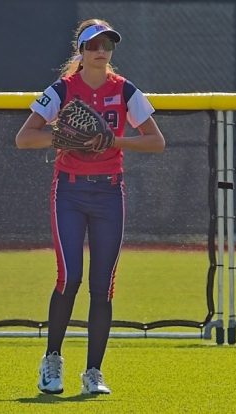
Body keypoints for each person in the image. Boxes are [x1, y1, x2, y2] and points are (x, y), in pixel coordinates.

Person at [15, 18, 165, 395]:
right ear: (80, 52)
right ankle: (52, 361)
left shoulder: (125, 90)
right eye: (94, 45)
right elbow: (24, 138)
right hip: (69, 190)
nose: (101, 52)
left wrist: (114, 142)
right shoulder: (63, 89)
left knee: (103, 287)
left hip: (109, 193)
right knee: (69, 278)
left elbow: (156, 141)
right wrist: (62, 138)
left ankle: (93, 372)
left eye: (107, 46)